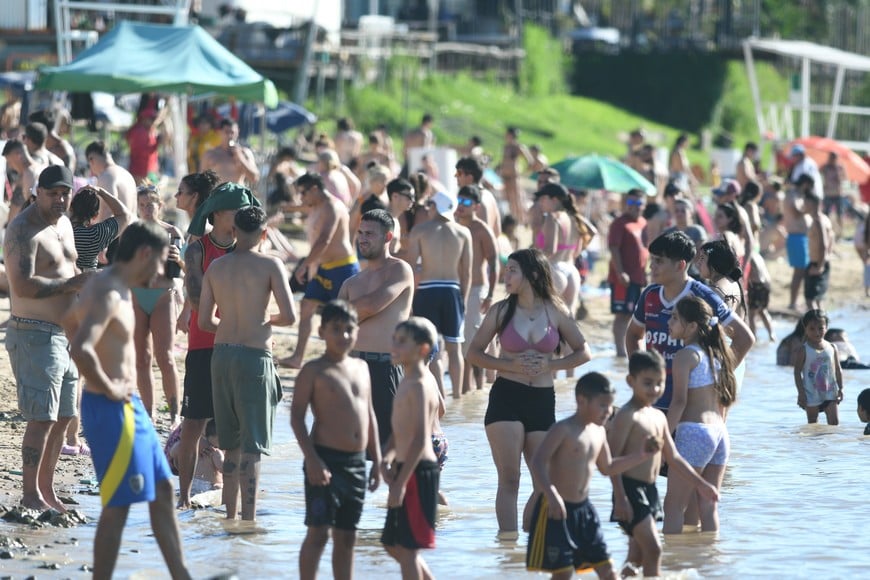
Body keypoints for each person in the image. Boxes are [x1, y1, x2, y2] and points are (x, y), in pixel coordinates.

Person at [64, 221, 191, 580]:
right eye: (159, 263)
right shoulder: (107, 291)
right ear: (145, 254)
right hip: (110, 407)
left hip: (129, 406)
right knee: (118, 505)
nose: (160, 273)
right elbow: (80, 348)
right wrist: (108, 386)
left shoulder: (116, 287)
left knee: (163, 488)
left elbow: (68, 320)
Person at [466, 248, 592, 536]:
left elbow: (584, 352)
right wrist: (507, 364)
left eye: (512, 270)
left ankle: (530, 536)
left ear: (533, 274)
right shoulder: (501, 310)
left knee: (545, 481)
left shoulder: (556, 310)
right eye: (506, 269)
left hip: (542, 401)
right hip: (506, 397)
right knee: (510, 479)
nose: (505, 276)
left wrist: (552, 363)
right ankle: (508, 544)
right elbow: (473, 353)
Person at [198, 205, 297, 520]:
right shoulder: (270, 265)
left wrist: (231, 326)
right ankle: (249, 521)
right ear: (265, 233)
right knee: (253, 445)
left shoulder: (216, 267)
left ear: (234, 232)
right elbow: (290, 315)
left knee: (231, 444)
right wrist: (263, 322)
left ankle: (230, 518)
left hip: (222, 355)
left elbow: (204, 321)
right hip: (254, 357)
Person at [4, 165, 93, 512]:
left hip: (66, 334)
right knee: (41, 417)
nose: (59, 199)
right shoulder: (22, 230)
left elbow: (68, 271)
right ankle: (28, 494)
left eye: (64, 193)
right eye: (52, 193)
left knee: (64, 416)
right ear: (36, 192)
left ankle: (46, 490)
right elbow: (22, 284)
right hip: (34, 333)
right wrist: (73, 285)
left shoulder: (66, 223)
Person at [526, 372, 658, 579]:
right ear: (581, 401)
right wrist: (551, 495)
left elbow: (608, 467)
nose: (608, 411)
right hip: (556, 510)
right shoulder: (563, 429)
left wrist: (640, 456)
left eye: (610, 405)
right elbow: (537, 463)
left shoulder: (599, 432)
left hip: (585, 511)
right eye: (602, 405)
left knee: (608, 571)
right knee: (563, 574)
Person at [176, 182, 254, 510]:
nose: (242, 217)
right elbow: (196, 302)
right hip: (203, 346)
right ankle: (182, 497)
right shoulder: (197, 250)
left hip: (238, 347)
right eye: (237, 211)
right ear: (218, 214)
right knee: (193, 425)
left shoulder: (250, 251)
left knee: (235, 428)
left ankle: (232, 505)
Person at [607, 351, 719, 578]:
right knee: (655, 549)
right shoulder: (627, 417)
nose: (654, 389)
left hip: (649, 492)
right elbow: (611, 463)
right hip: (629, 493)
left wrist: (700, 485)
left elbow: (675, 458)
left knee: (636, 556)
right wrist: (619, 498)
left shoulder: (658, 417)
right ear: (631, 381)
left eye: (660, 383)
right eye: (647, 383)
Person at [291, 300, 381, 580]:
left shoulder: (362, 367)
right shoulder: (313, 370)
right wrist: (312, 460)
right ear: (322, 331)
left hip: (356, 464)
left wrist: (376, 460)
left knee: (347, 537)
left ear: (357, 332)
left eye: (348, 329)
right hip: (324, 462)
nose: (343, 336)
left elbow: (369, 415)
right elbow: (296, 418)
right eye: (336, 329)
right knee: (318, 533)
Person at [624, 231, 754, 413]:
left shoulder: (704, 296)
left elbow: (745, 338)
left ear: (680, 265)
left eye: (659, 261)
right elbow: (633, 335)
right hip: (655, 400)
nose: (651, 267)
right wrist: (639, 373)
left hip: (691, 407)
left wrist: (717, 377)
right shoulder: (649, 294)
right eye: (652, 260)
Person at [338, 209, 414, 450]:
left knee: (389, 450)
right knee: (346, 447)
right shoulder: (351, 282)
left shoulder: (399, 270)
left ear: (388, 237)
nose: (363, 238)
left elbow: (371, 306)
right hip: (351, 368)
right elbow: (332, 324)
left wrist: (344, 315)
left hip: (386, 369)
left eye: (370, 234)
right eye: (360, 233)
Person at [663, 296, 737, 534]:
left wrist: (661, 439)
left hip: (694, 432)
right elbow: (724, 401)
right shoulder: (717, 355)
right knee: (707, 504)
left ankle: (672, 565)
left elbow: (679, 402)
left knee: (673, 505)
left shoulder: (685, 356)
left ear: (692, 326)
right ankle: (705, 560)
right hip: (720, 435)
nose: (669, 322)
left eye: (675, 318)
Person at [380, 317, 442, 580]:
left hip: (418, 472)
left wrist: (400, 484)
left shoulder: (418, 383)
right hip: (405, 468)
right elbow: (400, 429)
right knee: (392, 544)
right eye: (394, 339)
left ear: (424, 349)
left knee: (407, 551)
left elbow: (418, 437)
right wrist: (385, 457)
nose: (394, 346)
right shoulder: (406, 378)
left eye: (402, 342)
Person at [279, 173, 359, 369]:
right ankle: (298, 357)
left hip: (343, 268)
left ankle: (348, 359)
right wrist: (286, 208)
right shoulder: (315, 205)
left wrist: (305, 265)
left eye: (303, 193)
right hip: (323, 268)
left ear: (315, 189)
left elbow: (325, 240)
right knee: (306, 307)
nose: (301, 197)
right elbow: (300, 207)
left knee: (345, 316)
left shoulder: (333, 207)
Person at [405, 191, 472, 398]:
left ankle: (441, 397)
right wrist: (464, 300)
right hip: (452, 290)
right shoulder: (463, 232)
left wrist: (409, 300)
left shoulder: (420, 230)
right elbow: (467, 272)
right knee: (454, 348)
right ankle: (458, 398)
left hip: (427, 290)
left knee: (431, 347)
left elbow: (409, 266)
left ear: (434, 206)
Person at [132, 185, 185, 423]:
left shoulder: (172, 232)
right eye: (141, 205)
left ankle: (175, 414)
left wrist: (179, 260)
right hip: (137, 295)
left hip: (163, 295)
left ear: (160, 206)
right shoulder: (132, 231)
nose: (145, 210)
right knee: (142, 358)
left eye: (150, 204)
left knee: (166, 357)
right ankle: (149, 413)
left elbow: (185, 271)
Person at [454, 185, 499, 394]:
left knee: (472, 344)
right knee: (456, 341)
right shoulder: (452, 225)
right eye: (459, 201)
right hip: (455, 288)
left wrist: (490, 294)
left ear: (476, 207)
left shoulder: (481, 229)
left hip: (476, 290)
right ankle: (462, 392)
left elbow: (494, 262)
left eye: (466, 203)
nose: (461, 206)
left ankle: (478, 390)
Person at [608, 189, 648, 357]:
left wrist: (645, 273)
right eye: (631, 203)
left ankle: (631, 348)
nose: (635, 207)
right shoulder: (619, 223)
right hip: (622, 278)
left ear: (644, 205)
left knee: (634, 315)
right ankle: (620, 351)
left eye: (638, 203)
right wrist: (620, 272)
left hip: (638, 276)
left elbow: (644, 250)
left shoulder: (643, 223)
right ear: (625, 204)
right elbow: (614, 248)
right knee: (621, 315)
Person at [793, 309, 843, 426]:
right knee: (812, 425)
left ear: (826, 327)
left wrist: (841, 388)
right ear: (805, 329)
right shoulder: (804, 350)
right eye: (812, 329)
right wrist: (801, 393)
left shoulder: (832, 347)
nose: (817, 332)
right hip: (810, 394)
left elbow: (838, 369)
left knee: (834, 424)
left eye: (821, 328)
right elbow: (797, 372)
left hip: (830, 392)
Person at [70, 186, 133, 271]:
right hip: (87, 282)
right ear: (95, 216)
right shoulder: (96, 234)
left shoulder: (58, 230)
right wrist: (101, 191)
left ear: (71, 208)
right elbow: (125, 215)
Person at [85, 140, 139, 224]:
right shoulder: (127, 174)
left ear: (91, 160)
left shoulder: (107, 176)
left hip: (121, 234)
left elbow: (107, 215)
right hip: (134, 229)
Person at [164, 419, 224, 494]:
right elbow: (224, 469)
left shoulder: (192, 451)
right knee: (219, 487)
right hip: (210, 486)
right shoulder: (216, 453)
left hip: (192, 484)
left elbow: (172, 452)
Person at [200, 118, 259, 186]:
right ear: (220, 132)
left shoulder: (245, 153)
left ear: (238, 132)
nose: (230, 136)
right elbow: (202, 181)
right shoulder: (210, 155)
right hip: (218, 194)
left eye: (233, 132)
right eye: (227, 132)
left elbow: (255, 178)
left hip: (238, 194)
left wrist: (240, 157)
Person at [784, 176, 813, 310]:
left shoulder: (797, 195)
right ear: (806, 184)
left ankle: (795, 301)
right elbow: (796, 212)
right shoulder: (792, 194)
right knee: (799, 272)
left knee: (802, 272)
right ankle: (792, 302)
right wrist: (812, 208)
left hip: (801, 237)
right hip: (796, 237)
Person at [2, 138, 45, 224]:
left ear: (17, 155)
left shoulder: (29, 174)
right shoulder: (35, 169)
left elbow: (30, 207)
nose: (10, 166)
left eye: (9, 161)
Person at [804, 191, 834, 310]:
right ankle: (822, 327)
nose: (803, 205)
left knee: (810, 301)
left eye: (805, 202)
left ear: (811, 203)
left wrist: (819, 266)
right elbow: (832, 241)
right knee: (818, 300)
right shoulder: (825, 218)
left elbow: (824, 244)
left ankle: (818, 327)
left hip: (818, 263)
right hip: (823, 261)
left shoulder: (818, 221)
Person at [498, 127, 532, 224]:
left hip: (514, 176)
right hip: (505, 176)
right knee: (507, 198)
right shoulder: (506, 147)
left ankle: (521, 220)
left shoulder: (518, 147)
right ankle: (512, 219)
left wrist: (524, 173)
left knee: (516, 198)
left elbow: (529, 161)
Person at [126, 109, 163, 183]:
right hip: (140, 172)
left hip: (148, 171)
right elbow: (145, 151)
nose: (153, 121)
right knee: (143, 192)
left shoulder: (149, 130)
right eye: (151, 119)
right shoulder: (139, 131)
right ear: (144, 119)